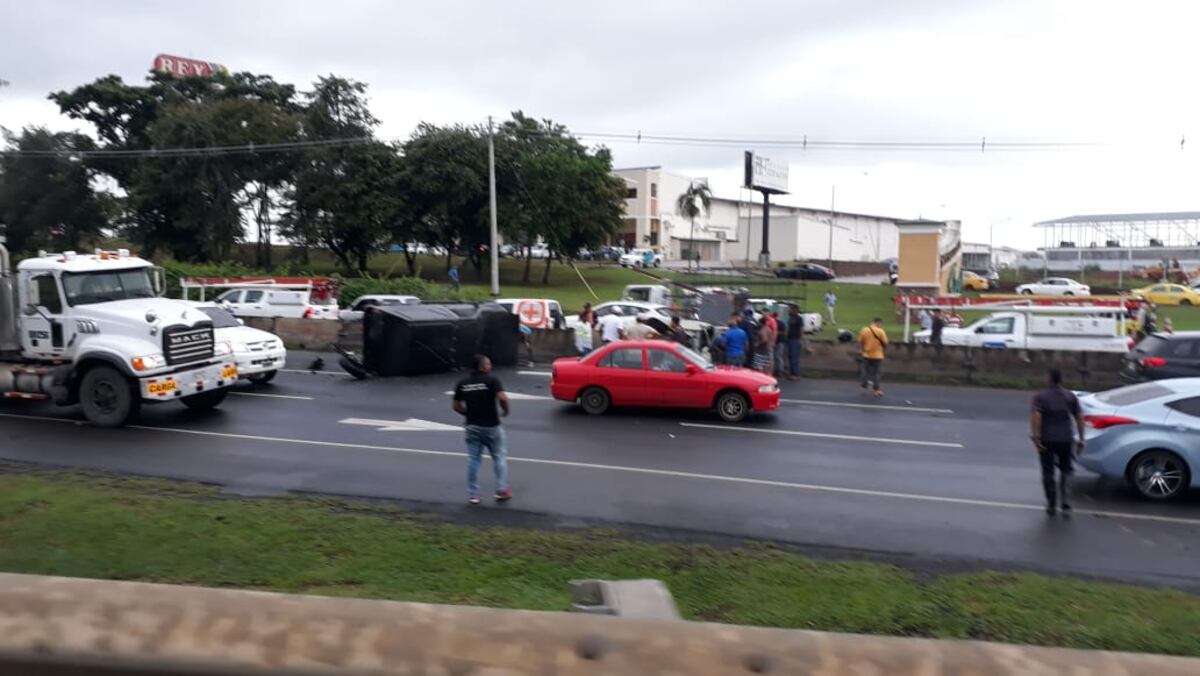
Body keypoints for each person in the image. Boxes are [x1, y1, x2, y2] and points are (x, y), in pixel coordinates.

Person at [452, 355, 511, 505]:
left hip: (472, 426)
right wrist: (505, 411)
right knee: (499, 456)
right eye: (488, 364)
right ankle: (501, 490)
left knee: (473, 460)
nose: (490, 366)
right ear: (482, 366)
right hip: (491, 425)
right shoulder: (492, 380)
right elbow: (502, 398)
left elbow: (455, 405)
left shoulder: (462, 383)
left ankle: (473, 494)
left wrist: (468, 413)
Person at [1030, 368, 1085, 515]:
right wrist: (1081, 438)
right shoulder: (1070, 396)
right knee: (1066, 469)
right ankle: (1065, 500)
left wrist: (1036, 437)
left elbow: (1037, 417)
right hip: (1066, 439)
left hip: (1047, 439)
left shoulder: (1040, 397)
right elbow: (1079, 417)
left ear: (1049, 378)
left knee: (1048, 471)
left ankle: (1051, 503)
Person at [858, 317, 888, 397]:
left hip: (866, 354)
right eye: (881, 324)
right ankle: (876, 390)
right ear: (878, 323)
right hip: (878, 355)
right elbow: (885, 342)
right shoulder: (881, 331)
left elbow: (861, 341)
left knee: (865, 371)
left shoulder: (864, 330)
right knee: (876, 373)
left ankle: (864, 385)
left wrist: (862, 349)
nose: (881, 325)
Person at [786, 306, 803, 380]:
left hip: (795, 339)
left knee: (794, 357)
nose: (789, 310)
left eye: (791, 309)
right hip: (790, 338)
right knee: (790, 356)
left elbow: (801, 329)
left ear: (795, 310)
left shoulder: (799, 318)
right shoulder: (790, 318)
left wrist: (800, 339)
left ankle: (795, 374)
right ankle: (791, 373)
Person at [774, 311, 789, 376]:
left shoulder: (781, 323)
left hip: (780, 341)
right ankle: (777, 369)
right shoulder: (775, 322)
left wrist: (777, 333)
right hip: (776, 341)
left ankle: (780, 370)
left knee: (778, 356)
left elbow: (785, 332)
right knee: (776, 356)